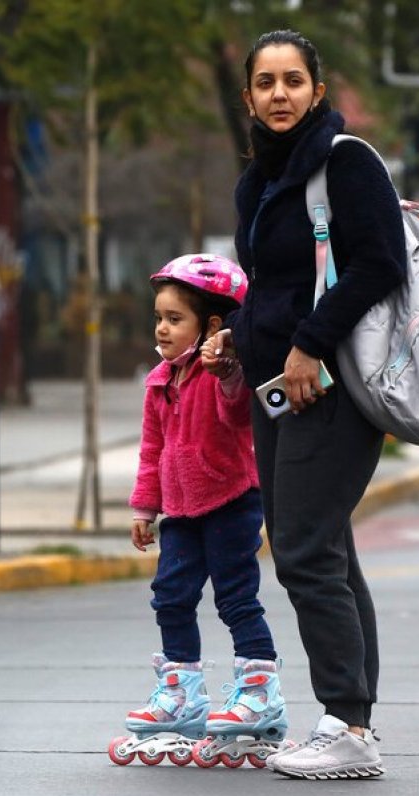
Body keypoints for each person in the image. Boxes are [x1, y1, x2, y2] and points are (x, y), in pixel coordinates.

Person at [201, 30, 406, 780]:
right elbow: (276, 282)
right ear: (248, 96)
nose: (279, 94)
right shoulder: (259, 179)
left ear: (318, 91)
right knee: (325, 549)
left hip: (333, 383)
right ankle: (354, 719)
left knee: (304, 552)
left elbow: (380, 263)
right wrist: (237, 333)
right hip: (280, 390)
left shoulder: (345, 162)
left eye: (293, 80)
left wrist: (310, 343)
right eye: (266, 82)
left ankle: (347, 725)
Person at [109, 253, 288, 769]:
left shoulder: (224, 373)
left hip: (231, 501)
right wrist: (145, 506)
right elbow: (151, 450)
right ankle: (181, 692)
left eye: (174, 318)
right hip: (181, 511)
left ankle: (259, 690)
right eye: (158, 318)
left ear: (211, 325)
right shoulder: (159, 381)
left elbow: (238, 415)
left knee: (236, 597)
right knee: (170, 596)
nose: (161, 329)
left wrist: (227, 371)